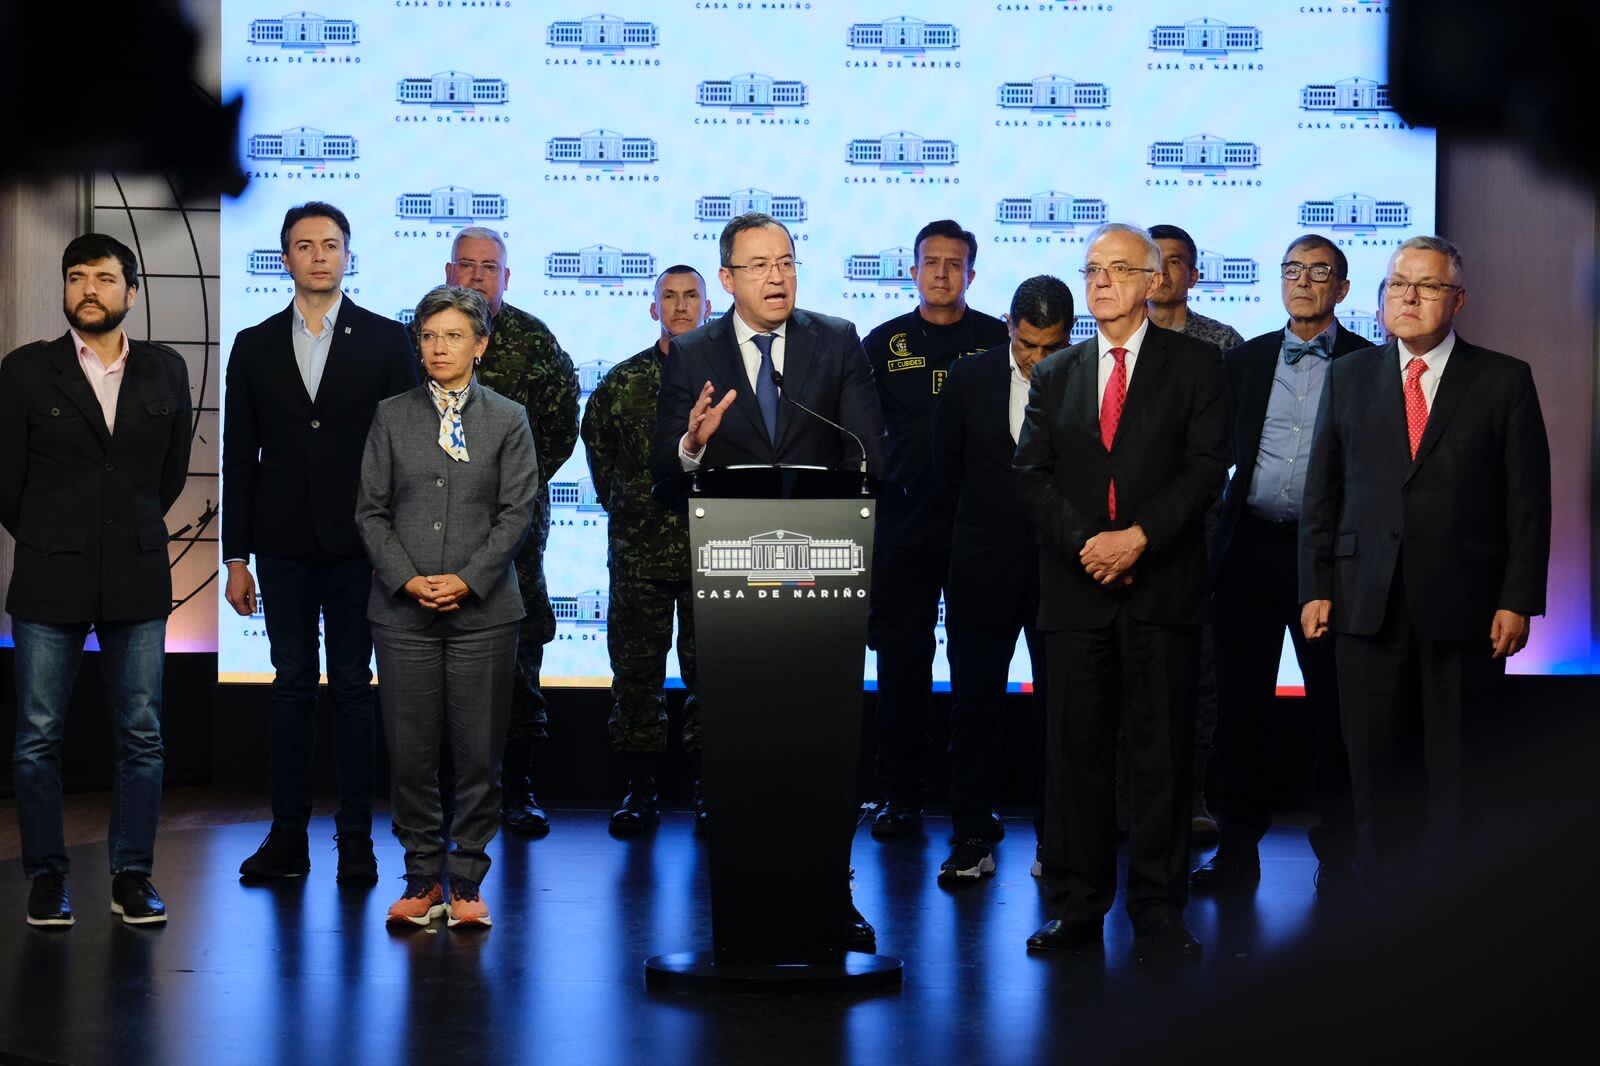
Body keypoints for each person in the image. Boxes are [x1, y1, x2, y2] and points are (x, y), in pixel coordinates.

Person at [648, 211, 885, 952]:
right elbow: (663, 472)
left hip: (825, 590)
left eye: (785, 262)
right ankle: (744, 894)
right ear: (726, 279)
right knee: (739, 745)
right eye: (758, 265)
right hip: (732, 596)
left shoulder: (835, 340)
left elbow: (869, 456)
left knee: (825, 746)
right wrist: (692, 444)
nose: (777, 276)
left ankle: (830, 892)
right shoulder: (691, 353)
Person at [1299, 235, 1551, 889]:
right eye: (1398, 284)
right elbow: (1321, 493)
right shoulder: (1349, 376)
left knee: (1458, 770)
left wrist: (1517, 596)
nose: (1408, 297)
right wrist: (1314, 586)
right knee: (1375, 767)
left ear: (1458, 299)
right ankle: (1381, 910)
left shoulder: (1503, 380)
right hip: (1363, 602)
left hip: (1464, 607)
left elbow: (1528, 501)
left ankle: (1452, 914)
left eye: (1427, 285)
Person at [1017, 223, 1226, 959]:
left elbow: (1206, 471)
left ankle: (1159, 907)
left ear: (1151, 280)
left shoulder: (1198, 366)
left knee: (1160, 755)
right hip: (1076, 593)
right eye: (1092, 270)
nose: (1100, 282)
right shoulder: (1055, 373)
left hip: (1161, 586)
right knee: (1074, 754)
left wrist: (1138, 538)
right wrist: (1088, 545)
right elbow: (1031, 474)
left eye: (1116, 270)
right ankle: (1077, 906)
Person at [1, 234, 192, 927]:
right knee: (37, 736)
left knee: (141, 734)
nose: (89, 289)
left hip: (137, 575)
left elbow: (168, 477)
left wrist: (123, 529)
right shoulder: (25, 371)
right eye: (77, 277)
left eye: (105, 279)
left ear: (131, 293)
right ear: (64, 289)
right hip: (50, 575)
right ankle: (48, 876)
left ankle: (132, 875)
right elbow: (8, 485)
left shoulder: (166, 370)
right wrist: (59, 535)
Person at [223, 202, 416, 883]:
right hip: (279, 546)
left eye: (331, 244)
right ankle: (287, 838)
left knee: (357, 692)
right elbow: (239, 454)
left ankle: (357, 840)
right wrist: (235, 557)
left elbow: (406, 455)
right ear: (285, 259)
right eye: (305, 246)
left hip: (363, 546)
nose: (319, 255)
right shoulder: (253, 344)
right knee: (292, 688)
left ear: (348, 254)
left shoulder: (390, 342)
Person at [357, 285, 539, 928]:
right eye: (429, 336)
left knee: (478, 753)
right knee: (410, 754)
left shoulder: (508, 417)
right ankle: (420, 878)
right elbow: (371, 512)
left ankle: (466, 879)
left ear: (480, 345)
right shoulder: (391, 414)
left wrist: (467, 579)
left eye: (453, 335)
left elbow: (517, 512)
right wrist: (408, 580)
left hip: (484, 613)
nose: (438, 347)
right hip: (401, 612)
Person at [1194, 235, 1368, 897]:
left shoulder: (1367, 362)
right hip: (1251, 549)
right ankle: (1236, 850)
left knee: (1336, 708)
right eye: (1292, 269)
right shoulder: (1246, 360)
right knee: (1239, 708)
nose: (1302, 282)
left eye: (1318, 272)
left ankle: (1341, 853)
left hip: (1329, 558)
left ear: (1342, 289)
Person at [862, 220, 1009, 839]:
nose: (943, 273)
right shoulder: (883, 341)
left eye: (955, 264)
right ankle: (902, 795)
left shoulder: (998, 339)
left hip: (978, 527)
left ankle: (973, 803)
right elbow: (860, 434)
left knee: (978, 670)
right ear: (914, 269)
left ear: (971, 275)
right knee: (902, 666)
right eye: (932, 262)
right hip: (901, 524)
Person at [931, 275, 1071, 884]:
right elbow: (944, 472)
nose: (1038, 360)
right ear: (1010, 327)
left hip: (1061, 574)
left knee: (1064, 713)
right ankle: (971, 836)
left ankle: (1059, 840)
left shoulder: (1089, 379)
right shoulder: (969, 377)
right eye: (1028, 345)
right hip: (980, 569)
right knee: (973, 709)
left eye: (1051, 346)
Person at [444, 227, 579, 837]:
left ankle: (518, 788)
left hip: (515, 525)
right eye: (466, 267)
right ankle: (444, 793)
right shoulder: (419, 336)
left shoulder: (534, 341)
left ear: (506, 276)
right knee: (440, 653)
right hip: (434, 525)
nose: (476, 278)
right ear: (450, 271)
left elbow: (561, 425)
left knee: (521, 651)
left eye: (488, 268)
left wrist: (510, 488)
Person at [580, 265, 710, 836]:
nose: (680, 307)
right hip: (639, 552)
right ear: (653, 307)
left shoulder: (729, 379)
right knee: (636, 676)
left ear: (710, 305)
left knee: (713, 678)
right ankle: (639, 791)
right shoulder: (624, 381)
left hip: (713, 551)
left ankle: (710, 791)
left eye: (691, 297)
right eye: (669, 298)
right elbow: (599, 451)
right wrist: (630, 508)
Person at [1146, 223, 1245, 842]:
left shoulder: (1221, 343)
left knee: (1200, 673)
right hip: (1120, 529)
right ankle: (1127, 800)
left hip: (1200, 531)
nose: (1162, 274)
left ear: (1194, 274)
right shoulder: (1108, 337)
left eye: (1175, 263)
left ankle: (1194, 795)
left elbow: (1226, 444)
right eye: (1151, 263)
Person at [1146, 224, 1246, 351]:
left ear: (1193, 277)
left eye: (1174, 262)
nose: (1161, 270)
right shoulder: (1122, 335)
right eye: (1154, 261)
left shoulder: (1223, 340)